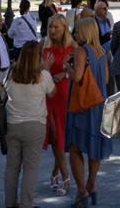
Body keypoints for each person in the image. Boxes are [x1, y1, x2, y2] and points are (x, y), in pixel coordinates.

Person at [64, 18, 112, 207]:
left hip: (81, 105)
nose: (75, 33)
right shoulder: (102, 52)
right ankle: (92, 184)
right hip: (98, 104)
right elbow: (106, 79)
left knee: (75, 148)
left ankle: (81, 190)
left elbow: (76, 77)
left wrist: (67, 66)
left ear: (84, 32)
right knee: (95, 146)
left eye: (77, 30)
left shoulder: (80, 51)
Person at [4, 43, 56, 208]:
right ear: (37, 57)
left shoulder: (10, 73)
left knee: (12, 167)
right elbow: (52, 93)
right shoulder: (43, 75)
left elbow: (4, 89)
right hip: (35, 125)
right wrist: (46, 68)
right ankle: (26, 204)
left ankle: (10, 203)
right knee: (30, 168)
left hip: (12, 124)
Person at [40, 15, 76, 196]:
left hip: (64, 96)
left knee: (59, 137)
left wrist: (65, 74)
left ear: (65, 28)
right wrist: (45, 70)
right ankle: (65, 176)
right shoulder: (43, 45)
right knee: (55, 136)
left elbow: (81, 71)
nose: (52, 30)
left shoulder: (72, 46)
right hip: (47, 96)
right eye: (50, 27)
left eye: (56, 27)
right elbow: (36, 70)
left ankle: (56, 172)